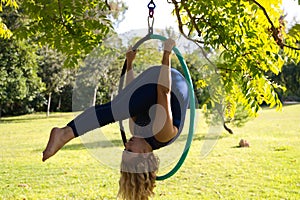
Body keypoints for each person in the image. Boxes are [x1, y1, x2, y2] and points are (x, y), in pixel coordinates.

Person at [42, 38, 190, 200]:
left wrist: (130, 63)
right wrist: (167, 52)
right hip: (172, 83)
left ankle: (66, 132)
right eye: (129, 150)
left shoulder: (136, 130)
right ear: (143, 154)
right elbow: (164, 92)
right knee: (120, 109)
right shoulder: (162, 134)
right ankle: (65, 133)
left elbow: (130, 96)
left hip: (152, 84)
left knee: (121, 107)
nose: (126, 144)